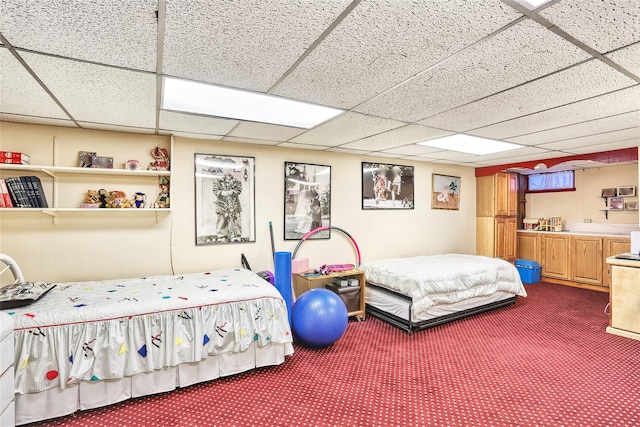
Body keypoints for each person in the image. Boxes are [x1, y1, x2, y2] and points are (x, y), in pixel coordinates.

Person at [212, 161, 243, 242]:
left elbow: (239, 189)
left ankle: (236, 236)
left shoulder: (236, 181)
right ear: (222, 169)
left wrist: (233, 192)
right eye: (226, 168)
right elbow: (215, 190)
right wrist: (221, 193)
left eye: (230, 169)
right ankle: (221, 237)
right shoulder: (218, 181)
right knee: (222, 220)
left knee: (236, 220)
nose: (228, 171)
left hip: (234, 204)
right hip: (222, 204)